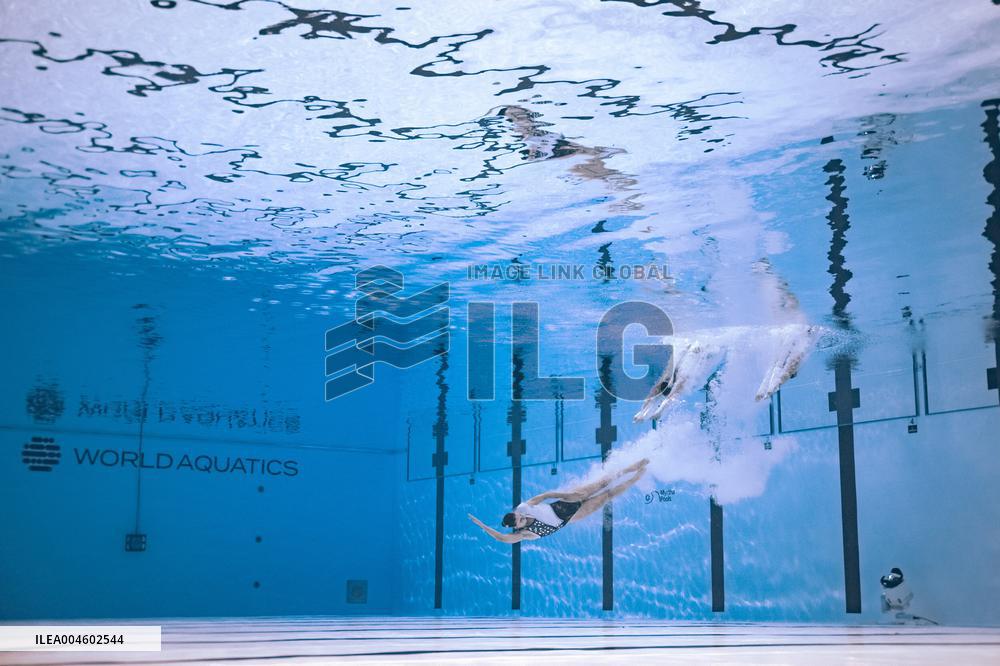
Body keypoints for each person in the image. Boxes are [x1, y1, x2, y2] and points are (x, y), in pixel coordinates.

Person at [468, 459, 649, 543]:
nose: (522, 517)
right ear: (517, 526)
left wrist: (567, 495)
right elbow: (502, 538)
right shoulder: (524, 534)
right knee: (606, 496)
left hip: (565, 501)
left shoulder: (523, 508)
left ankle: (632, 465)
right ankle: (636, 478)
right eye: (519, 520)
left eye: (518, 515)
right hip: (571, 517)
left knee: (603, 483)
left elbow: (545, 496)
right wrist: (481, 525)